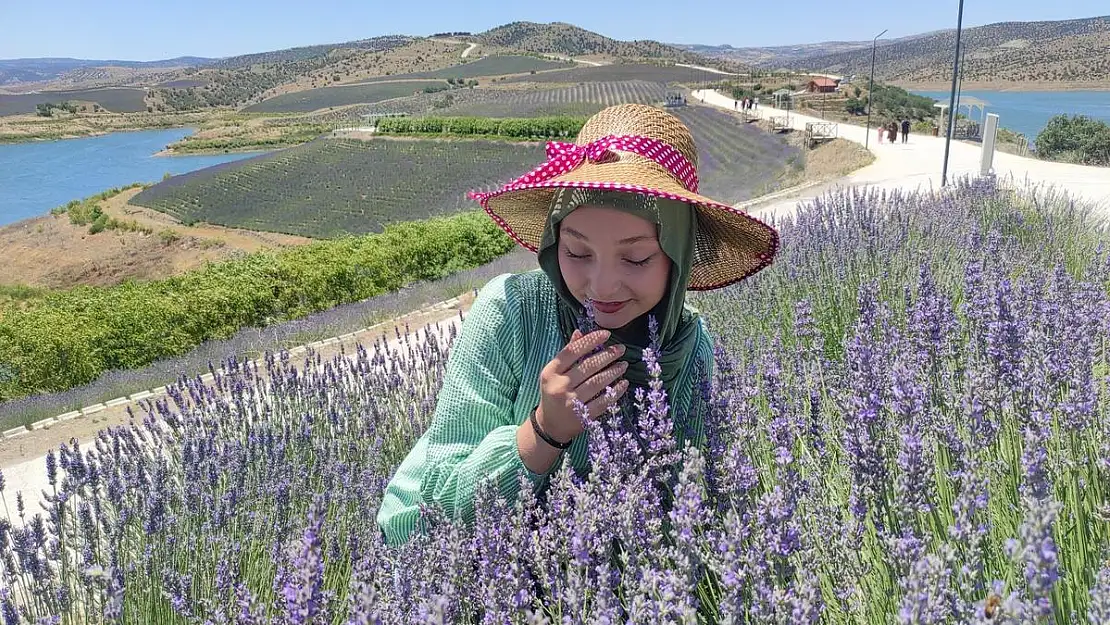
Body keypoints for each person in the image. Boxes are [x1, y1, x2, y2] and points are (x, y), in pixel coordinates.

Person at [375, 104, 780, 546]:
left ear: (677, 256)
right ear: (554, 241)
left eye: (637, 257)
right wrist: (545, 430)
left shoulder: (689, 346)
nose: (602, 286)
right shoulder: (510, 313)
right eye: (577, 253)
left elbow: (688, 503)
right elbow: (438, 504)